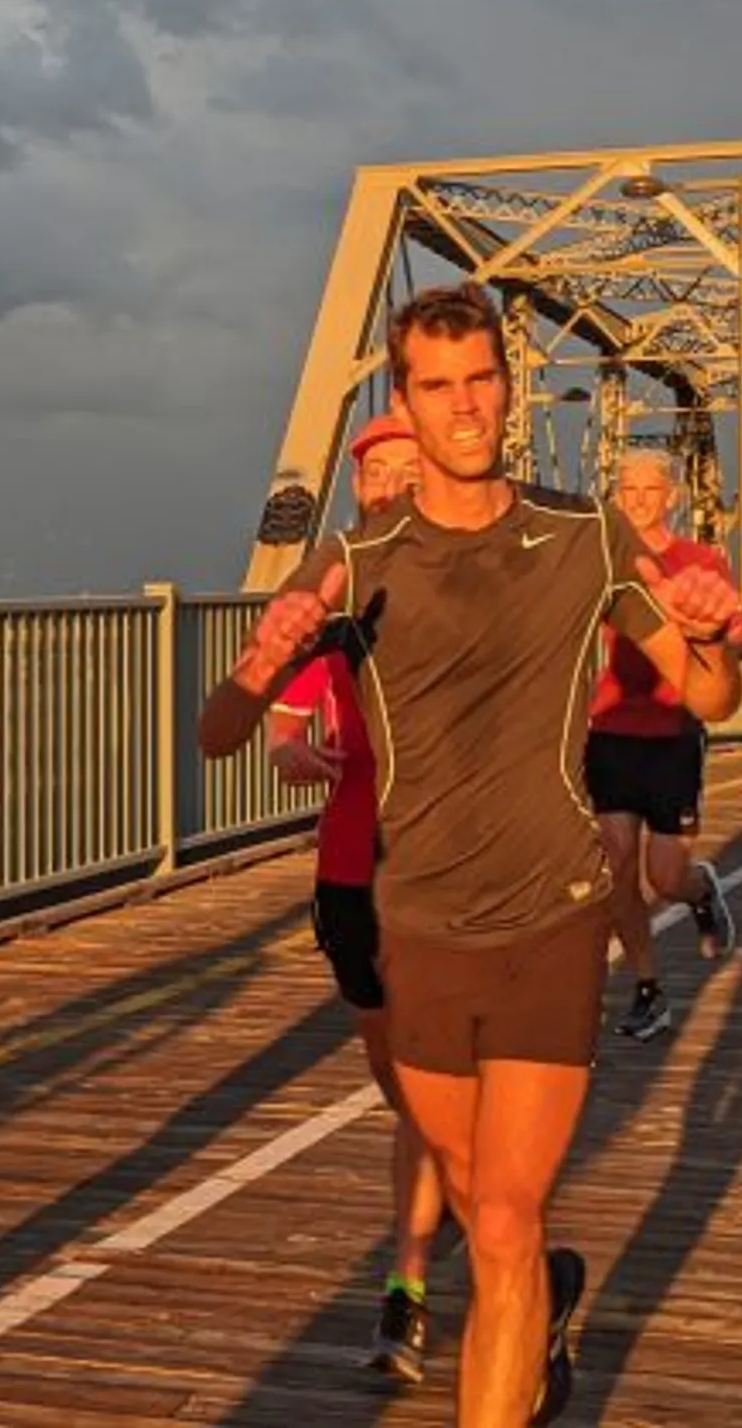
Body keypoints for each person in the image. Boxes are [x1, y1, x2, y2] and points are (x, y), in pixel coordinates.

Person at [199, 281, 742, 1427]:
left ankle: (515, 1301)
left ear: (508, 387)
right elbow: (217, 733)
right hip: (418, 928)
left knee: (499, 1218)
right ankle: (537, 1304)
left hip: (549, 916)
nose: (463, 407)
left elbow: (709, 696)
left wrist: (719, 634)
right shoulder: (354, 559)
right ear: (407, 398)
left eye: (482, 380)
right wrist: (259, 664)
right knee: (469, 1190)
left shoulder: (583, 533)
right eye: (436, 386)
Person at [268, 413, 449, 1381]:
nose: (386, 486)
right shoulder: (332, 614)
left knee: (422, 1095)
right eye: (373, 473)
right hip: (348, 875)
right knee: (400, 1089)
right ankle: (455, 1183)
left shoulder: (474, 594)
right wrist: (296, 752)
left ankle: (405, 1290)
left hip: (444, 879)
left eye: (403, 469)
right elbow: (281, 735)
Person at [585, 448, 742, 1044]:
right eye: (626, 488)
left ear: (671, 497)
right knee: (617, 869)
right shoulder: (603, 560)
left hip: (673, 732)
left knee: (665, 877)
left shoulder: (700, 561)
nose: (636, 499)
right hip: (609, 730)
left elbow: (739, 639)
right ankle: (647, 988)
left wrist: (728, 634)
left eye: (649, 489)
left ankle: (700, 891)